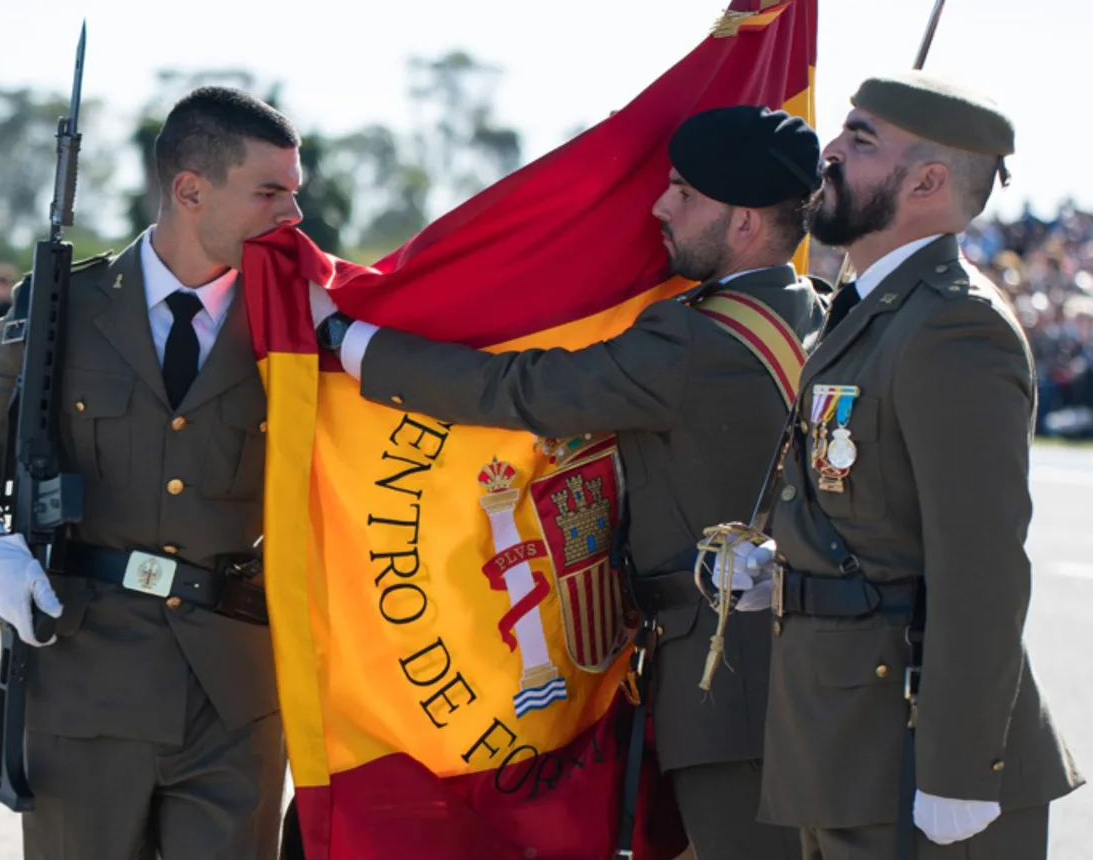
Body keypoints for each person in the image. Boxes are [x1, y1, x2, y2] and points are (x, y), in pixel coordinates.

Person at [308, 105, 828, 860]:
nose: (659, 206)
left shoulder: (694, 337)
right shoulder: (820, 314)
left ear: (745, 221)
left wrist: (346, 340)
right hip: (809, 670)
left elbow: (523, 389)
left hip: (727, 688)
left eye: (683, 192)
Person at [0, 85, 302, 860]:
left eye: (295, 194)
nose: (292, 214)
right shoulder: (67, 305)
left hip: (234, 694)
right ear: (190, 190)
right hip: (86, 687)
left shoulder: (297, 319)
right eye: (270, 192)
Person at [729, 71, 1084, 858]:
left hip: (915, 750)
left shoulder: (953, 327)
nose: (829, 153)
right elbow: (869, 508)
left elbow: (981, 564)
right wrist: (783, 566)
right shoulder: (875, 310)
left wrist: (960, 768)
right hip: (844, 744)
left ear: (926, 181)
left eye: (859, 141)